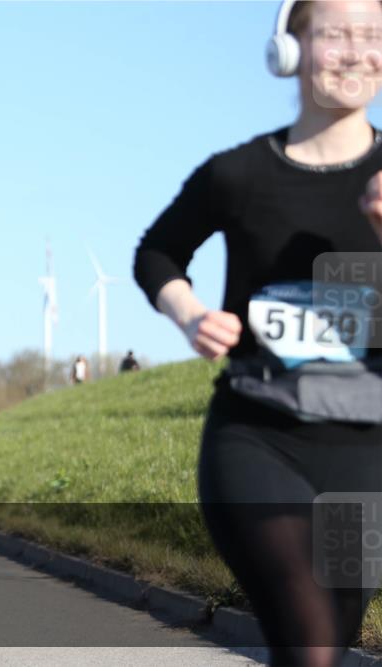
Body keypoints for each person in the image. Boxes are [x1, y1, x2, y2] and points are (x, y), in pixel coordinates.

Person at [134, 2, 382, 664]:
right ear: (292, 48)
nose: (357, 51)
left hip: (367, 449)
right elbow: (156, 251)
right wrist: (189, 313)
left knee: (332, 631)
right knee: (309, 640)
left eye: (373, 35)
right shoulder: (238, 173)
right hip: (257, 435)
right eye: (337, 34)